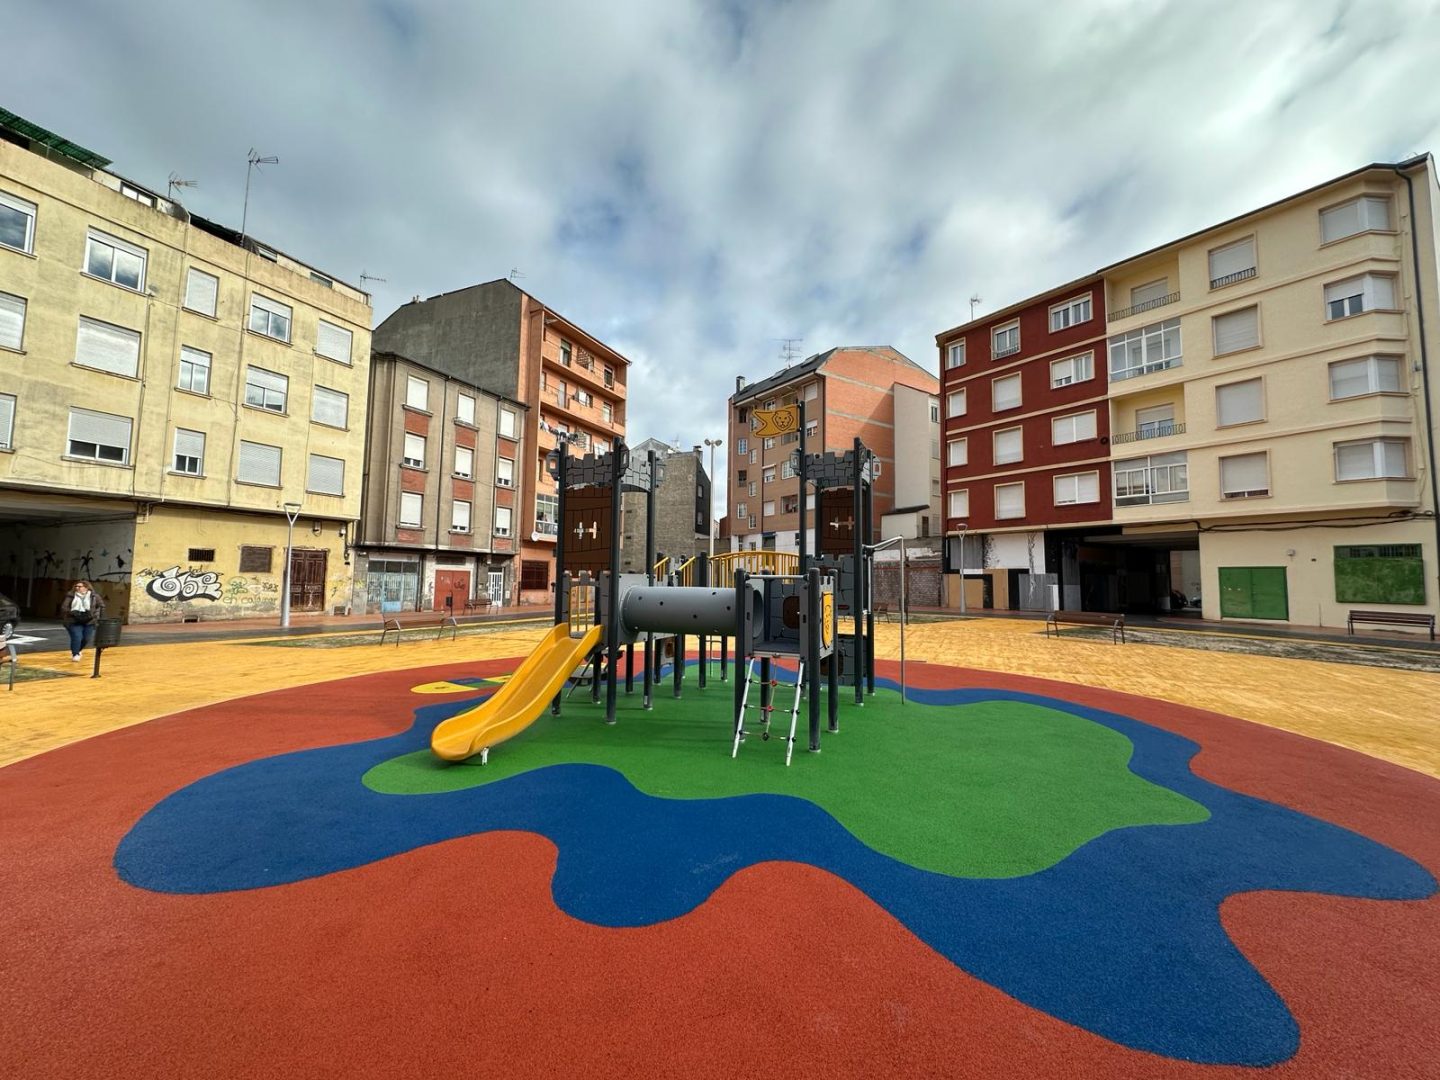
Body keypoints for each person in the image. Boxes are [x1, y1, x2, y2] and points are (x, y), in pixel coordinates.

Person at [61, 580, 104, 662]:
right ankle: (75, 654)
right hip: (73, 620)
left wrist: (95, 615)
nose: (77, 588)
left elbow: (101, 606)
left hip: (89, 621)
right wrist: (72, 612)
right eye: (76, 586)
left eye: (79, 586)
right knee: (77, 637)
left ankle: (78, 649)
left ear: (86, 587)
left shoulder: (94, 596)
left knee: (86, 639)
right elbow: (64, 607)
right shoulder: (71, 595)